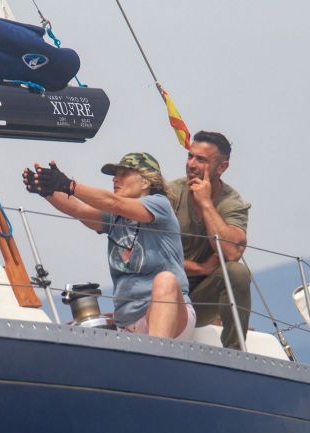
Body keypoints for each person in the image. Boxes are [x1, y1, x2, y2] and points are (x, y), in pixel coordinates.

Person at [23, 152, 196, 340]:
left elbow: (115, 203)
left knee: (166, 280)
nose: (115, 179)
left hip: (172, 317)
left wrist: (70, 185)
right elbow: (79, 210)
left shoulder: (160, 205)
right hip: (128, 324)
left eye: (123, 174)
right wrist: (48, 190)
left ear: (146, 182)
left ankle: (156, 352)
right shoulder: (116, 217)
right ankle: (150, 350)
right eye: (115, 175)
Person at [169, 131, 252, 350]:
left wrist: (206, 204)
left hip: (200, 298)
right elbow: (151, 255)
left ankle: (235, 353)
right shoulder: (171, 194)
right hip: (165, 292)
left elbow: (231, 254)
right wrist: (199, 268)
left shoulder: (232, 203)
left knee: (237, 272)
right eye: (190, 156)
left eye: (201, 159)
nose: (191, 164)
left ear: (222, 167)